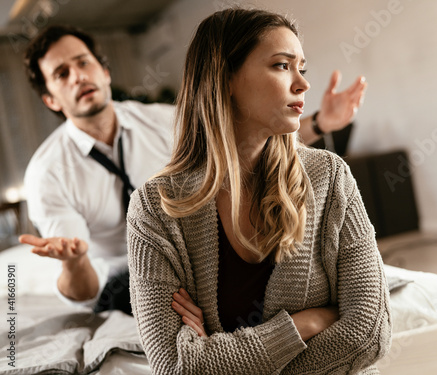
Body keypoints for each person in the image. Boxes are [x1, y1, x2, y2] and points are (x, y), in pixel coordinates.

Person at [18, 23, 366, 313]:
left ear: (105, 72)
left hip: (190, 254)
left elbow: (246, 143)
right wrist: (75, 262)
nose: (78, 76)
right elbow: (85, 289)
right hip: (122, 277)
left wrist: (321, 123)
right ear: (50, 98)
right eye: (62, 74)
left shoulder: (161, 120)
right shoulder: (47, 174)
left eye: (84, 63)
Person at [127, 8, 390, 375]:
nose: (302, 84)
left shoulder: (330, 177)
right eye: (282, 66)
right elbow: (173, 366)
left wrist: (216, 359)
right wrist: (303, 325)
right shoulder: (155, 209)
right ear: (226, 79)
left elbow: (368, 333)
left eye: (303, 67)